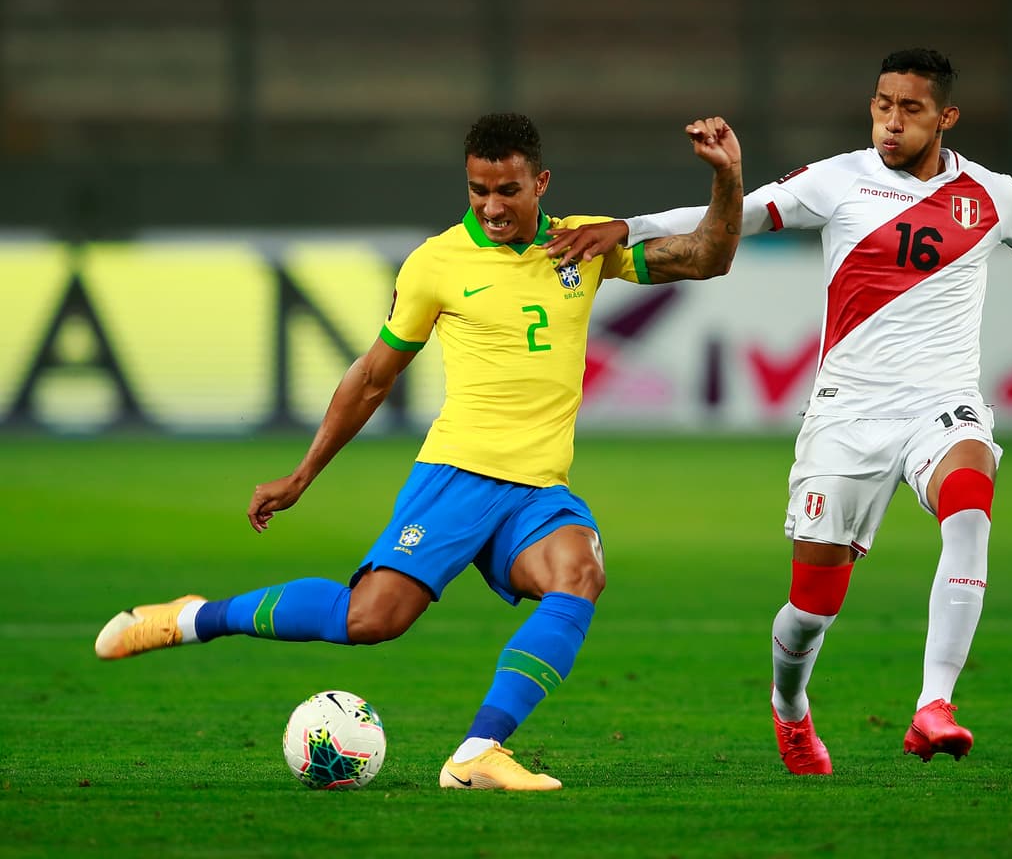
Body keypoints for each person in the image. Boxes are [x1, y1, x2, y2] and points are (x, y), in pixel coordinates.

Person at [544, 48, 1012, 772]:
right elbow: (743, 214)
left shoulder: (994, 196)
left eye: (910, 109)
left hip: (942, 404)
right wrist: (627, 226)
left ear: (945, 117)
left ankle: (934, 704)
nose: (891, 122)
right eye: (882, 105)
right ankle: (789, 707)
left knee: (970, 504)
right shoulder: (838, 180)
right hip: (847, 415)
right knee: (811, 612)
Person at [94, 112, 744, 791]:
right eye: (477, 190)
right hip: (458, 477)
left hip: (538, 490)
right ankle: (197, 618)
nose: (492, 206)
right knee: (370, 620)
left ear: (540, 182)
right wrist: (302, 474)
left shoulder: (580, 243)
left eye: (508, 190)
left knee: (578, 574)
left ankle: (477, 751)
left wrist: (725, 176)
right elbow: (373, 376)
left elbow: (709, 257)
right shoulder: (437, 264)